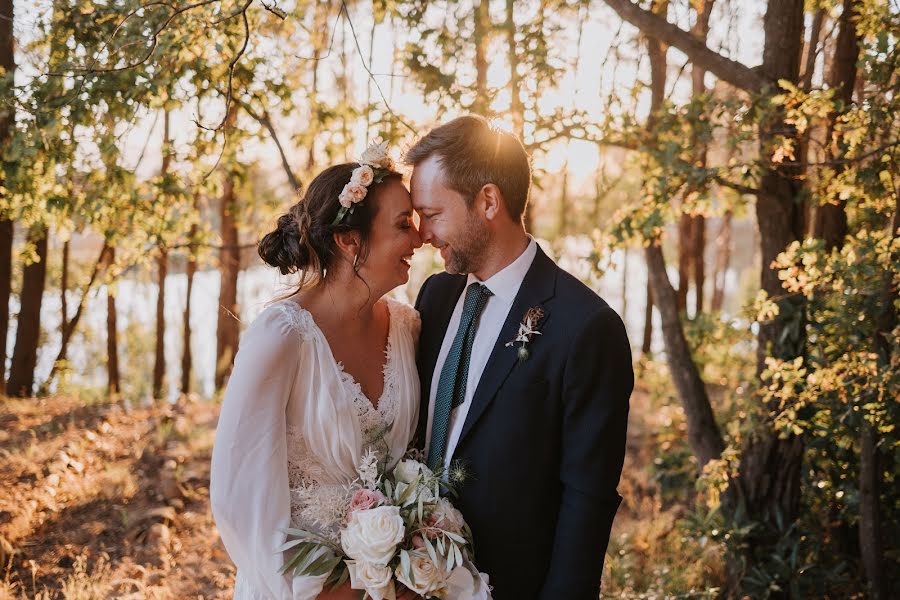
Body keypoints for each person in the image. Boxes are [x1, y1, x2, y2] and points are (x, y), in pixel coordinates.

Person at [407, 115, 633, 600]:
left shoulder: (586, 328)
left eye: (431, 214)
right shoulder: (436, 296)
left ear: (488, 201)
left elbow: (587, 501)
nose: (422, 233)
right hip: (416, 579)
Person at [210, 148, 423, 600]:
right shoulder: (282, 335)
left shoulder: (408, 328)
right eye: (403, 225)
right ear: (350, 239)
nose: (419, 240)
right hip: (301, 587)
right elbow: (238, 498)